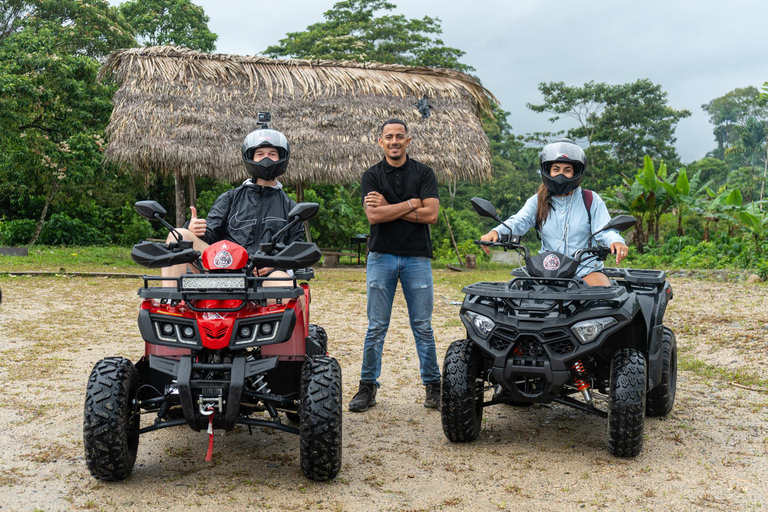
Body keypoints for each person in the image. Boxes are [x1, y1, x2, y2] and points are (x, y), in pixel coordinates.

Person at [348, 118, 441, 413]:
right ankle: (367, 387)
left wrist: (390, 206)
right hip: (381, 255)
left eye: (399, 136)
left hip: (417, 256)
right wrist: (412, 203)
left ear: (408, 141)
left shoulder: (424, 173)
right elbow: (373, 218)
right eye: (388, 136)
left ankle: (434, 387)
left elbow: (432, 216)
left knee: (423, 326)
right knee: (376, 326)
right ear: (381, 142)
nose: (394, 141)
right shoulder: (371, 175)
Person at [161, 127, 303, 285]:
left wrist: (276, 262)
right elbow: (210, 235)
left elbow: (297, 250)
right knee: (178, 235)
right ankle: (171, 301)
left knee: (288, 289)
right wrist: (193, 228)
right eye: (260, 154)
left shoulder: (291, 208)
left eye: (272, 154)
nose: (266, 159)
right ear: (250, 157)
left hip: (267, 275)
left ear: (282, 158)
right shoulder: (230, 198)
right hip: (223, 266)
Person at [480, 138, 629, 286]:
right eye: (556, 169)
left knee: (602, 295)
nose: (561, 175)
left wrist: (615, 241)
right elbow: (520, 221)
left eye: (567, 170)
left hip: (585, 270)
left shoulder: (590, 199)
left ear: (576, 172)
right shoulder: (538, 200)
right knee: (516, 296)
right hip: (546, 269)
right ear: (548, 172)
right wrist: (497, 232)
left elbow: (605, 229)